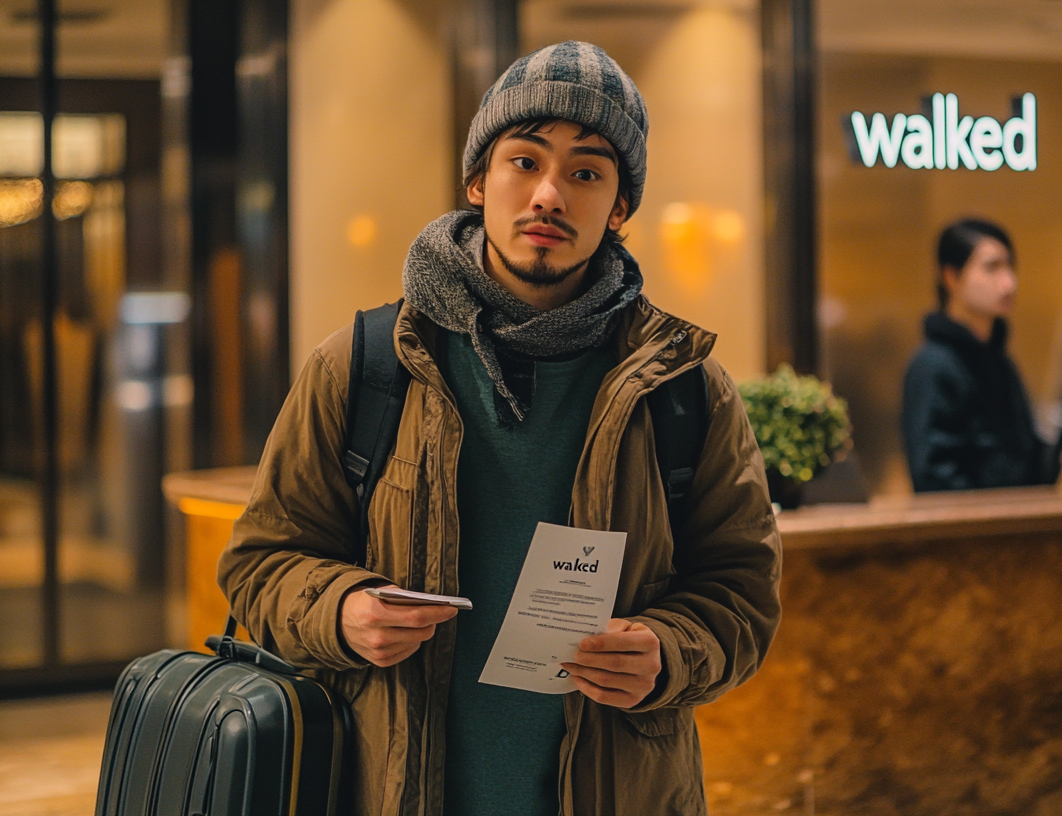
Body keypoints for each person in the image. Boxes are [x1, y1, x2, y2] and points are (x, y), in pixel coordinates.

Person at [218, 42, 782, 816]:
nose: (549, 194)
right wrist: (341, 612)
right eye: (524, 161)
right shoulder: (365, 365)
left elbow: (742, 591)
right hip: (388, 791)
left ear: (619, 208)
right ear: (479, 181)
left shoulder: (684, 387)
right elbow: (261, 562)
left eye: (586, 172)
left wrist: (669, 652)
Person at [902, 218, 1055, 492]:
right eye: (991, 268)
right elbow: (934, 477)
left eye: (1010, 267)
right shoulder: (933, 367)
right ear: (950, 276)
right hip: (973, 531)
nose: (1009, 283)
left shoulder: (1000, 360)